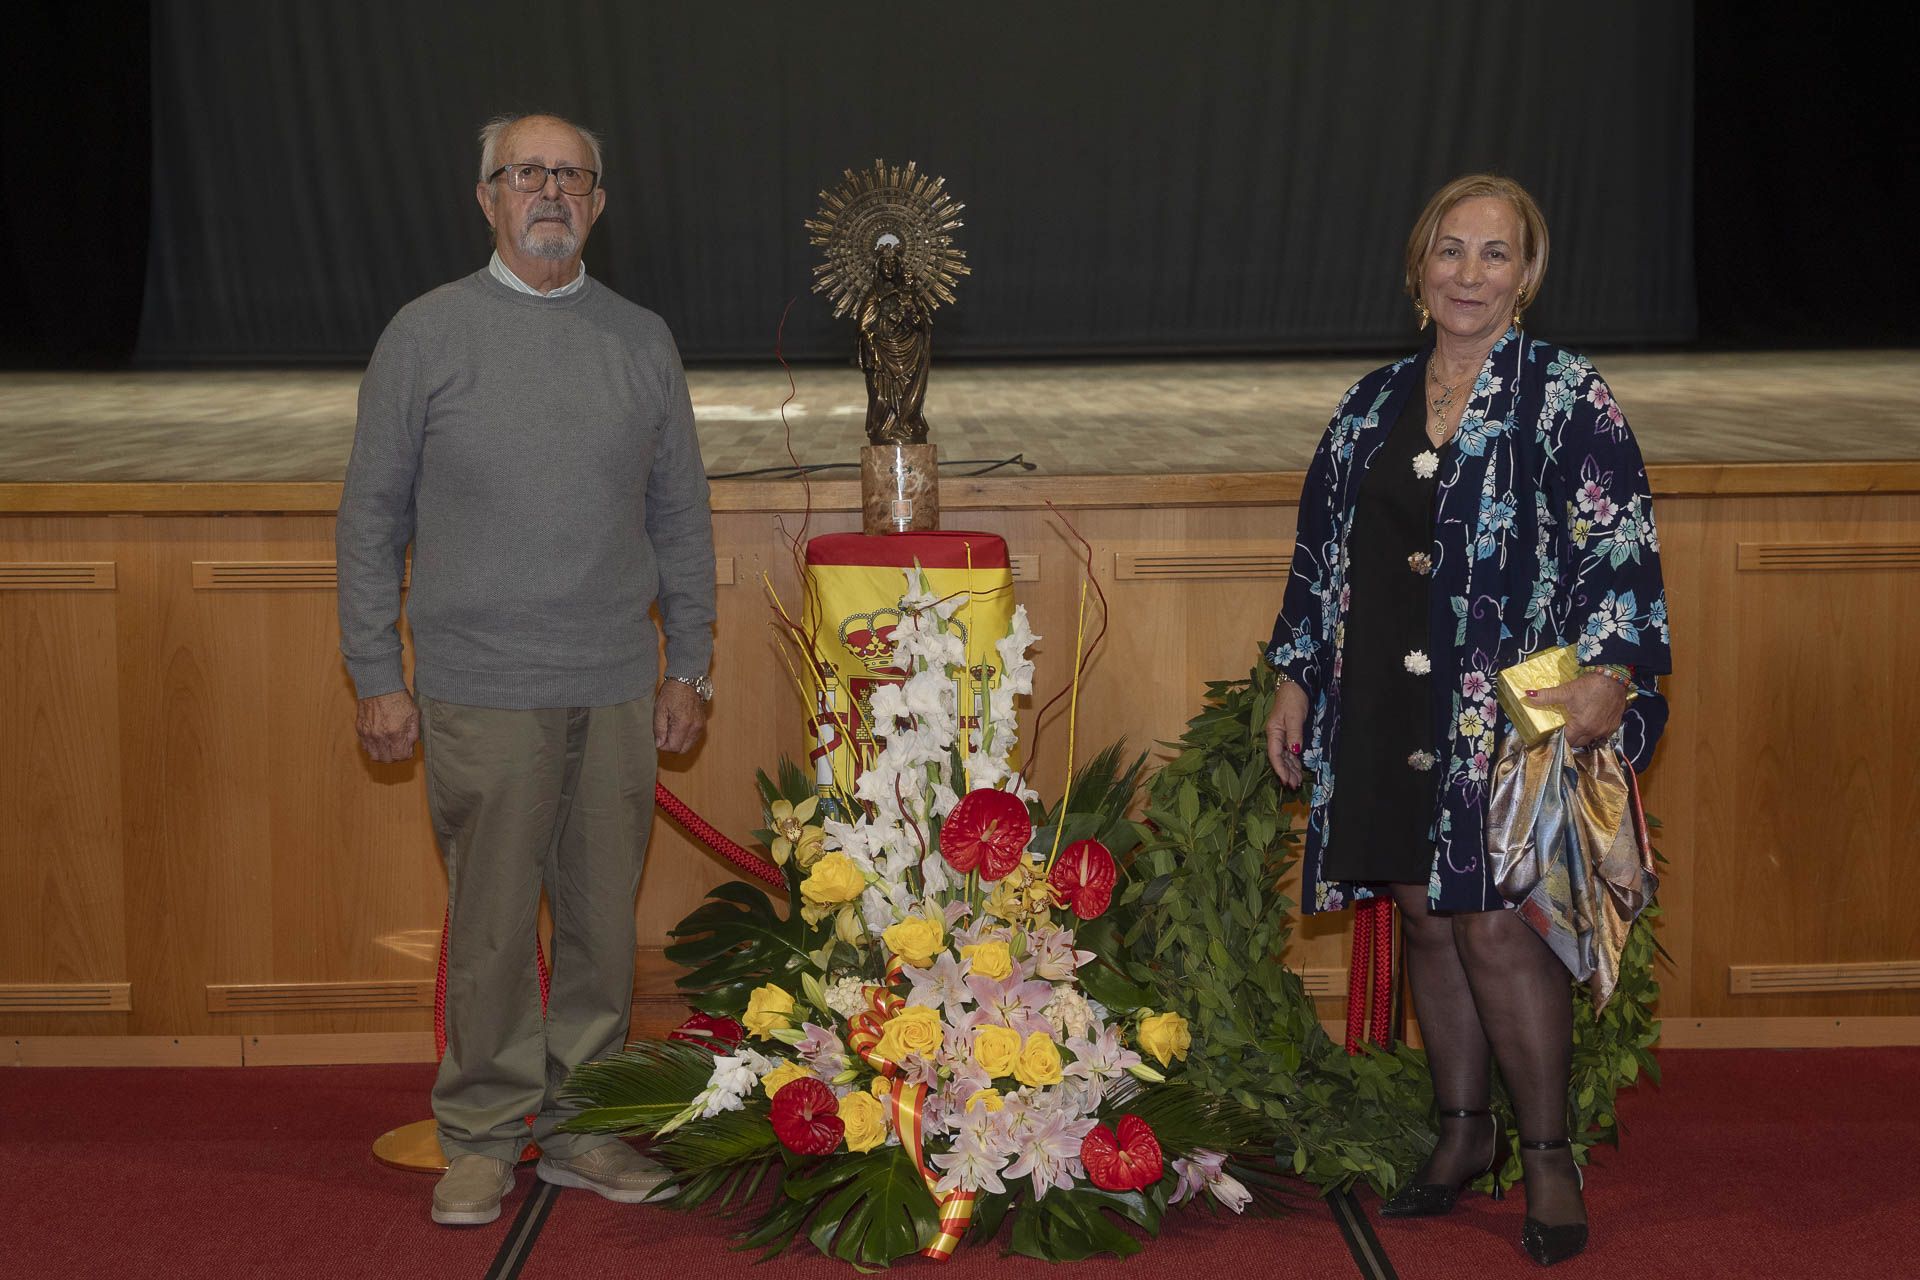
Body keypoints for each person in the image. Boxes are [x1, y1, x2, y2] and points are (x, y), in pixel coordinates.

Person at [1264, 174, 1671, 1267]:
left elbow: (1618, 541)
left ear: (1527, 274)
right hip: (1386, 700)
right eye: (1452, 251)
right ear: (1419, 265)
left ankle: (1546, 1152)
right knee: (1427, 912)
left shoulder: (1565, 395)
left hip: (1509, 704)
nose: (1471, 275)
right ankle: (1460, 1130)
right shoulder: (1370, 403)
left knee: (1497, 919)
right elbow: (1320, 555)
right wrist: (1297, 673)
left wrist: (1615, 672)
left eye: (1496, 254)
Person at [336, 112, 717, 1226]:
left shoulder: (641, 338)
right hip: (476, 681)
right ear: (487, 196)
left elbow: (681, 516)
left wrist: (686, 658)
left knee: (602, 927)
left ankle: (587, 1125)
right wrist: (375, 667)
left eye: (572, 177)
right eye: (527, 174)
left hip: (614, 680)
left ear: (596, 203)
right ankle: (483, 1134)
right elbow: (371, 519)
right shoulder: (424, 335)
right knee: (496, 928)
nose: (550, 192)